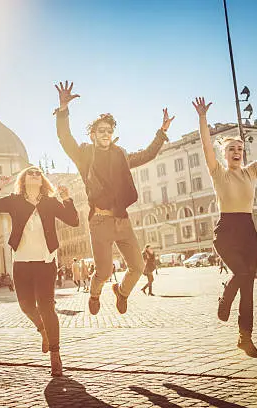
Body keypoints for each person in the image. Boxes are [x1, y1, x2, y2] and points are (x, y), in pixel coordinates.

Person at [54, 81, 172, 315]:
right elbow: (65, 139)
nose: (106, 134)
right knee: (104, 272)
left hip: (122, 221)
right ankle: (95, 294)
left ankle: (122, 292)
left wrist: (162, 132)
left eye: (109, 131)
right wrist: (63, 110)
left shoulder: (121, 155)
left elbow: (147, 155)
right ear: (93, 134)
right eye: (101, 131)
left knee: (137, 267)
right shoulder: (84, 155)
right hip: (99, 222)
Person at [194, 97, 257, 358]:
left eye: (240, 148)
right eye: (231, 149)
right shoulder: (218, 172)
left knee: (248, 285)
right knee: (240, 273)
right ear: (224, 155)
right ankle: (225, 299)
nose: (237, 151)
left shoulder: (251, 172)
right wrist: (203, 117)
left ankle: (245, 337)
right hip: (227, 230)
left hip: (248, 230)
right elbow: (206, 145)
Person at [0, 166, 79, 377]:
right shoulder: (14, 200)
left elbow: (73, 221)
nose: (34, 174)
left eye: (38, 173)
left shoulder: (50, 202)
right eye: (30, 172)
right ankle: (42, 329)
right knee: (25, 306)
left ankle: (55, 354)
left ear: (42, 180)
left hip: (45, 260)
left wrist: (67, 198)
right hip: (21, 260)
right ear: (23, 179)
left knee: (47, 306)